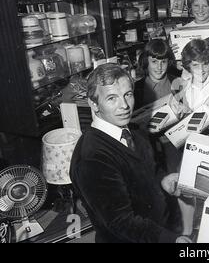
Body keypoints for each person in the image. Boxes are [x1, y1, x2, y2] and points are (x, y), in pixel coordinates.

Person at [69, 63, 188, 243]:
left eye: (128, 95)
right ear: (93, 104)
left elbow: (146, 172)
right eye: (111, 98)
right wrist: (170, 240)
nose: (124, 105)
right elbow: (121, 222)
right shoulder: (92, 157)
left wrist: (163, 180)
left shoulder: (134, 131)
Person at [179, 38, 209, 112]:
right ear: (188, 65)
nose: (201, 70)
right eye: (195, 65)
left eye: (205, 64)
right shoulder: (184, 88)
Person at [134, 38, 177, 109]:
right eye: (154, 62)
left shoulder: (177, 82)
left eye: (163, 62)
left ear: (168, 62)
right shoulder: (136, 89)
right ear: (146, 61)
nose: (159, 67)